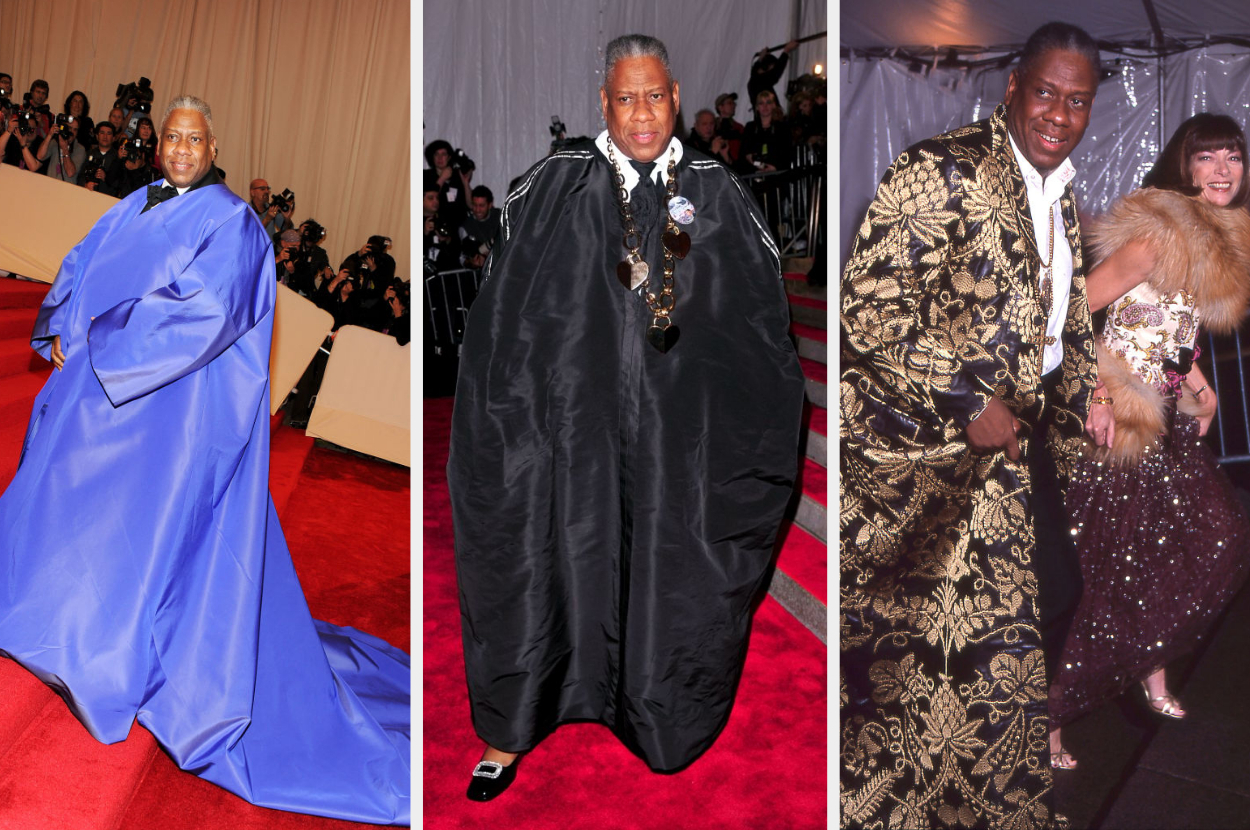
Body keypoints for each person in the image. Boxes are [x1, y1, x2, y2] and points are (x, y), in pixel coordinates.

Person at [0, 94, 409, 825]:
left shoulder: (233, 223)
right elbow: (81, 263)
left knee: (135, 538)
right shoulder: (132, 206)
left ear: (213, 145)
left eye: (195, 138)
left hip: (167, 417)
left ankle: (97, 659)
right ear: (159, 145)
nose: (182, 148)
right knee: (61, 498)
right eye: (172, 137)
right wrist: (62, 327)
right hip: (102, 394)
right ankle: (44, 619)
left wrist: (101, 346)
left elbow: (205, 313)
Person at [448, 33, 804, 802]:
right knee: (543, 560)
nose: (641, 113)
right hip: (569, 433)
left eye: (654, 96)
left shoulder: (718, 190)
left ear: (674, 97)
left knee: (665, 568)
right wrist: (515, 417)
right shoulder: (555, 185)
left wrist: (729, 432)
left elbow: (757, 330)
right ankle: (510, 729)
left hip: (676, 441)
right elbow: (504, 315)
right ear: (602, 104)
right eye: (624, 98)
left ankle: (657, 710)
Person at [840, 22, 1102, 827]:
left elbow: (1066, 318)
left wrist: (1090, 391)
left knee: (1035, 608)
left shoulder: (1060, 193)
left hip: (1021, 447)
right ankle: (920, 794)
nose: (1059, 114)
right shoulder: (941, 170)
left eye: (1078, 102)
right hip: (936, 456)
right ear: (1014, 87)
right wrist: (964, 396)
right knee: (942, 643)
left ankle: (977, 786)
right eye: (1047, 93)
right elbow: (868, 307)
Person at [1047, 112, 1250, 768]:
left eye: (1233, 158)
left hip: (1163, 411)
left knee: (1210, 537)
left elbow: (1165, 325)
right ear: (1184, 167)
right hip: (1120, 419)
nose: (1222, 171)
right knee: (1097, 570)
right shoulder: (1159, 231)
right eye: (1208, 158)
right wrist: (1098, 394)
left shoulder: (1216, 240)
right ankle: (1048, 714)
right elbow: (1081, 312)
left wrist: (1199, 385)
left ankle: (1149, 669)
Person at [740, 89, 792, 172]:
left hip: (777, 174)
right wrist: (749, 158)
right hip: (753, 173)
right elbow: (743, 153)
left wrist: (775, 167)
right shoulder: (750, 128)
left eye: (768, 102)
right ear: (756, 107)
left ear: (774, 105)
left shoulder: (782, 128)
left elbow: (787, 153)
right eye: (761, 103)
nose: (765, 106)